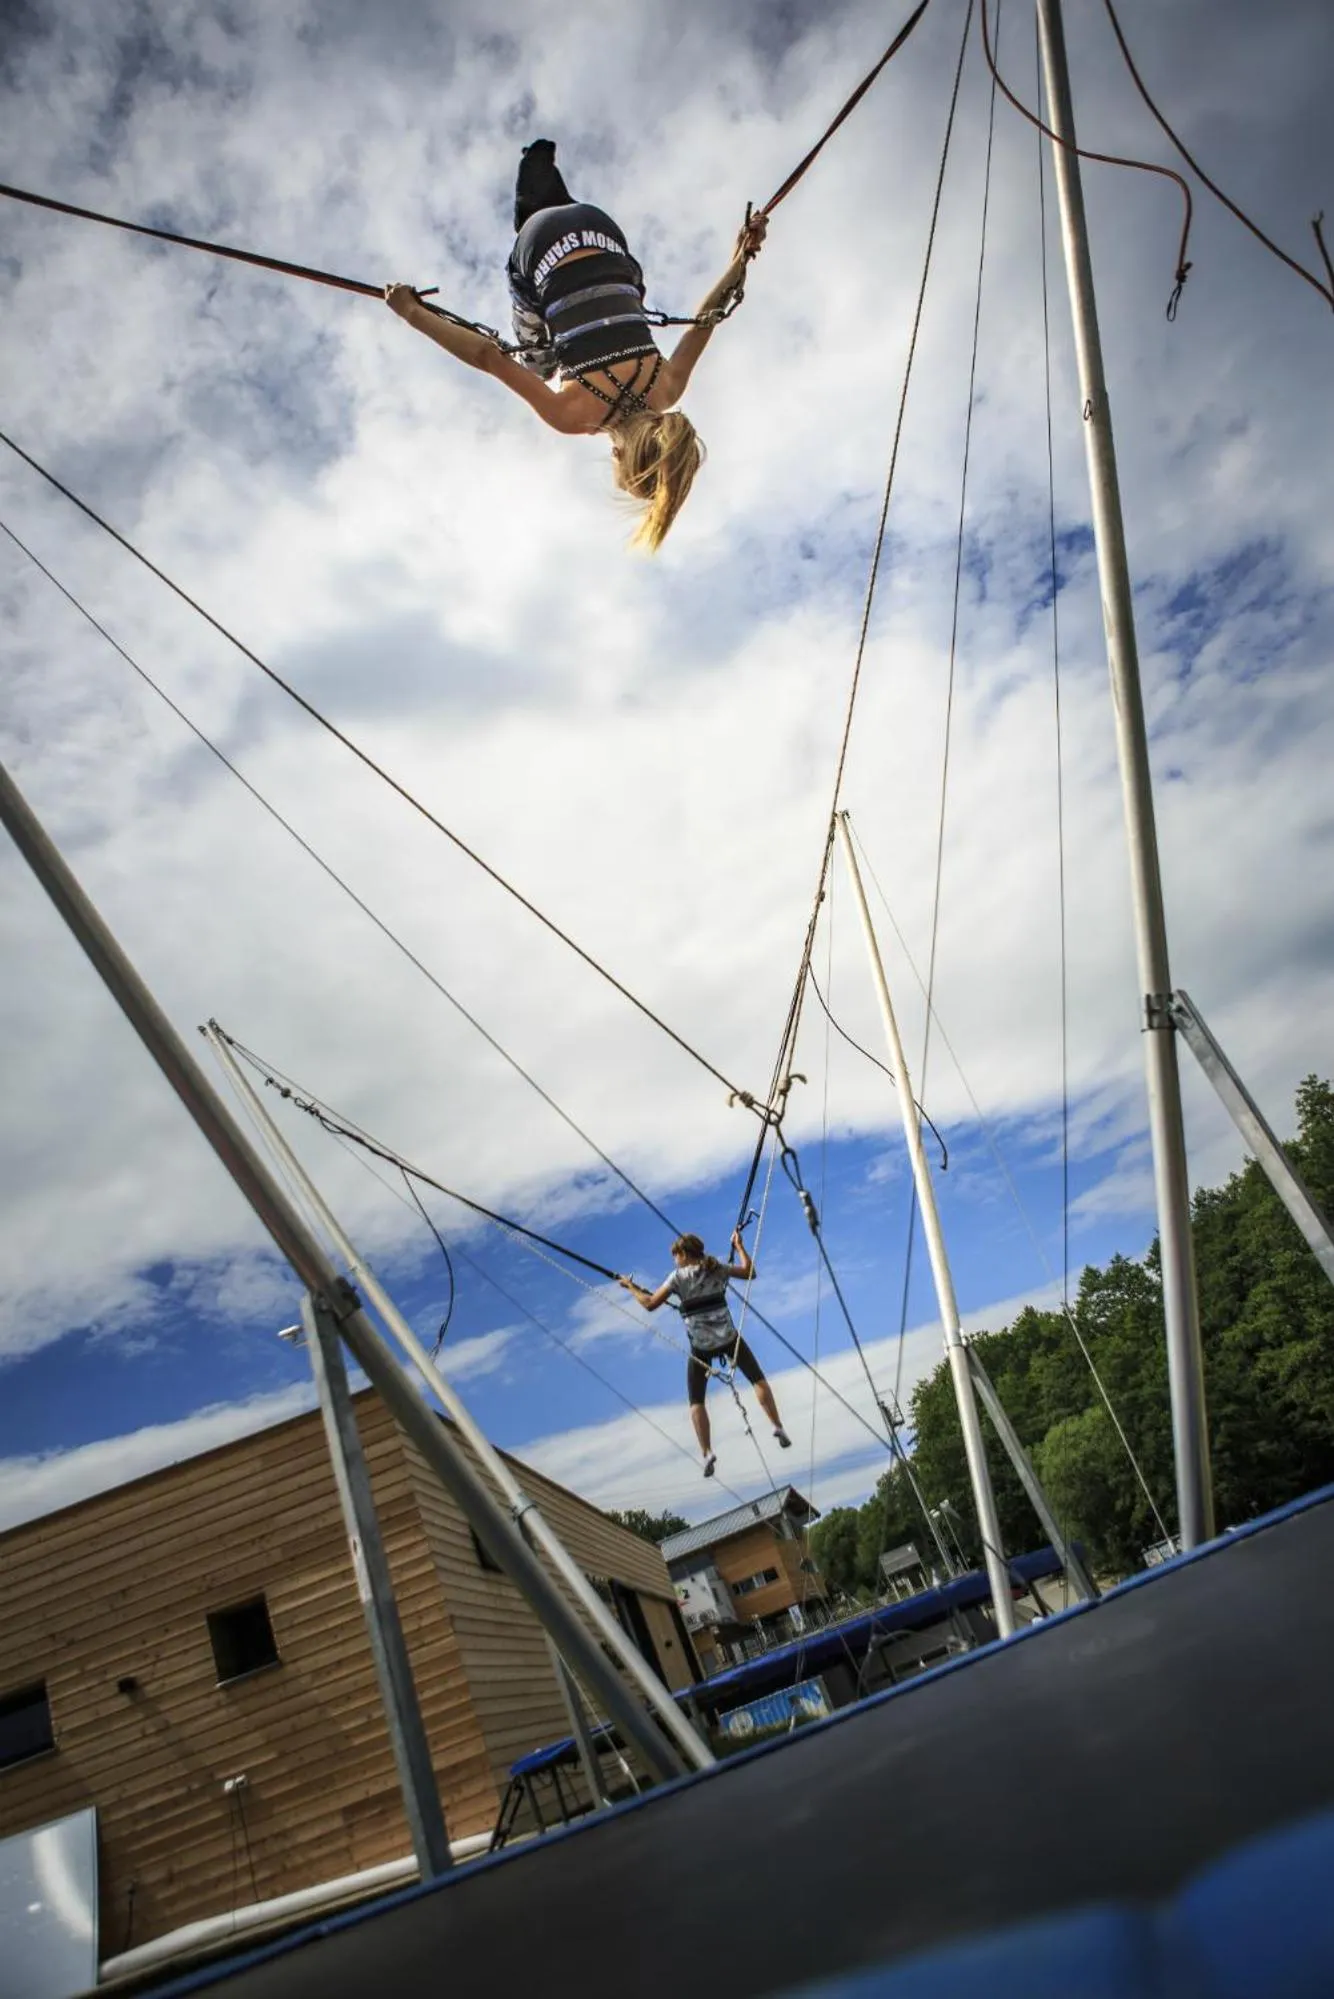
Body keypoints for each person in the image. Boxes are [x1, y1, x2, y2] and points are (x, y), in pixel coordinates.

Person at [385, 138, 766, 551]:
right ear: (619, 457)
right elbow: (487, 356)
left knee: (614, 294)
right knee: (539, 363)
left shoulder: (668, 388)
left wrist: (741, 256)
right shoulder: (572, 417)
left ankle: (543, 180)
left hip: (602, 231)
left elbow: (706, 320)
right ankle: (536, 195)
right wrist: (411, 312)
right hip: (539, 246)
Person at [621, 1231, 791, 1478]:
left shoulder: (677, 1278)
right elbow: (750, 1272)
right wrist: (740, 1247)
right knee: (758, 1380)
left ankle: (707, 1451)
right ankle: (777, 1425)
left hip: (701, 1348)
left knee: (696, 1401)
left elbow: (649, 1304)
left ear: (683, 1254)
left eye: (675, 1256)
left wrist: (630, 1287)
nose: (674, 1261)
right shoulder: (716, 1268)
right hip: (729, 1339)